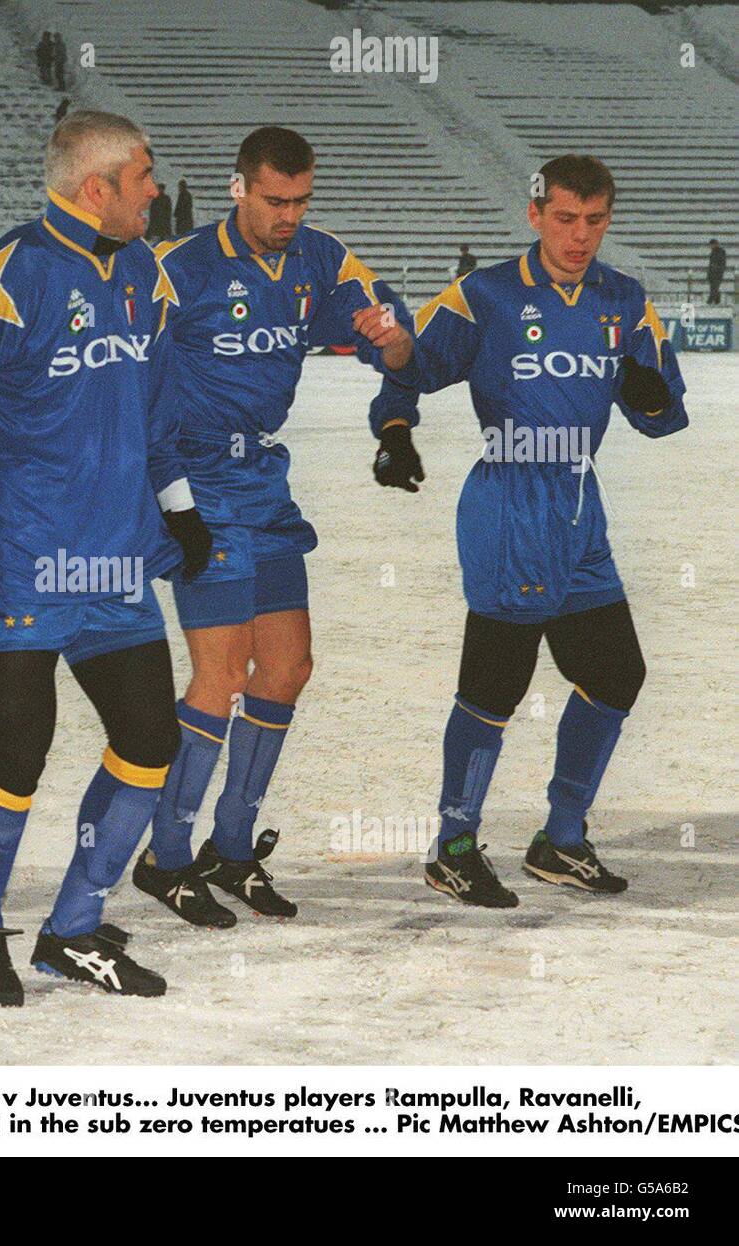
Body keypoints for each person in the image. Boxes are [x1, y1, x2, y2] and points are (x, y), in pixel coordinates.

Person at [0, 110, 212, 1006]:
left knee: (150, 742)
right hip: (25, 556)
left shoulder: (146, 273)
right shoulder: (7, 275)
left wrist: (178, 508)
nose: (158, 190)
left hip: (117, 560)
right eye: (144, 176)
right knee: (19, 752)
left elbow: (156, 412)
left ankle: (72, 928)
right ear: (96, 187)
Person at [372, 154, 688, 905]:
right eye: (567, 220)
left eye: (596, 221)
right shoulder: (486, 294)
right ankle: (453, 844)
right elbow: (411, 364)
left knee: (616, 673)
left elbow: (667, 415)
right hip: (511, 498)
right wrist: (394, 428)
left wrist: (646, 394)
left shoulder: (623, 298)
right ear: (536, 215)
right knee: (496, 681)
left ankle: (561, 839)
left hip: (581, 503)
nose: (581, 237)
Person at [136, 126, 414, 925]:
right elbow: (132, 384)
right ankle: (166, 852)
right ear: (238, 189)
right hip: (198, 480)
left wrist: (391, 340)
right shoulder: (178, 269)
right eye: (275, 200)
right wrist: (167, 497)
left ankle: (231, 843)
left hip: (264, 481)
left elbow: (395, 341)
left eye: (300, 200)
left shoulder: (322, 258)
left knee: (288, 667)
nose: (289, 214)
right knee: (219, 677)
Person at [706, 238, 726, 305]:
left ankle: (709, 301)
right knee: (714, 288)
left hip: (717, 273)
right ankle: (717, 301)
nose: (710, 246)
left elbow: (722, 263)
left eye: (711, 245)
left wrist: (719, 270)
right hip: (712, 273)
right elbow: (711, 264)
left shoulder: (720, 252)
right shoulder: (713, 252)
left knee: (714, 288)